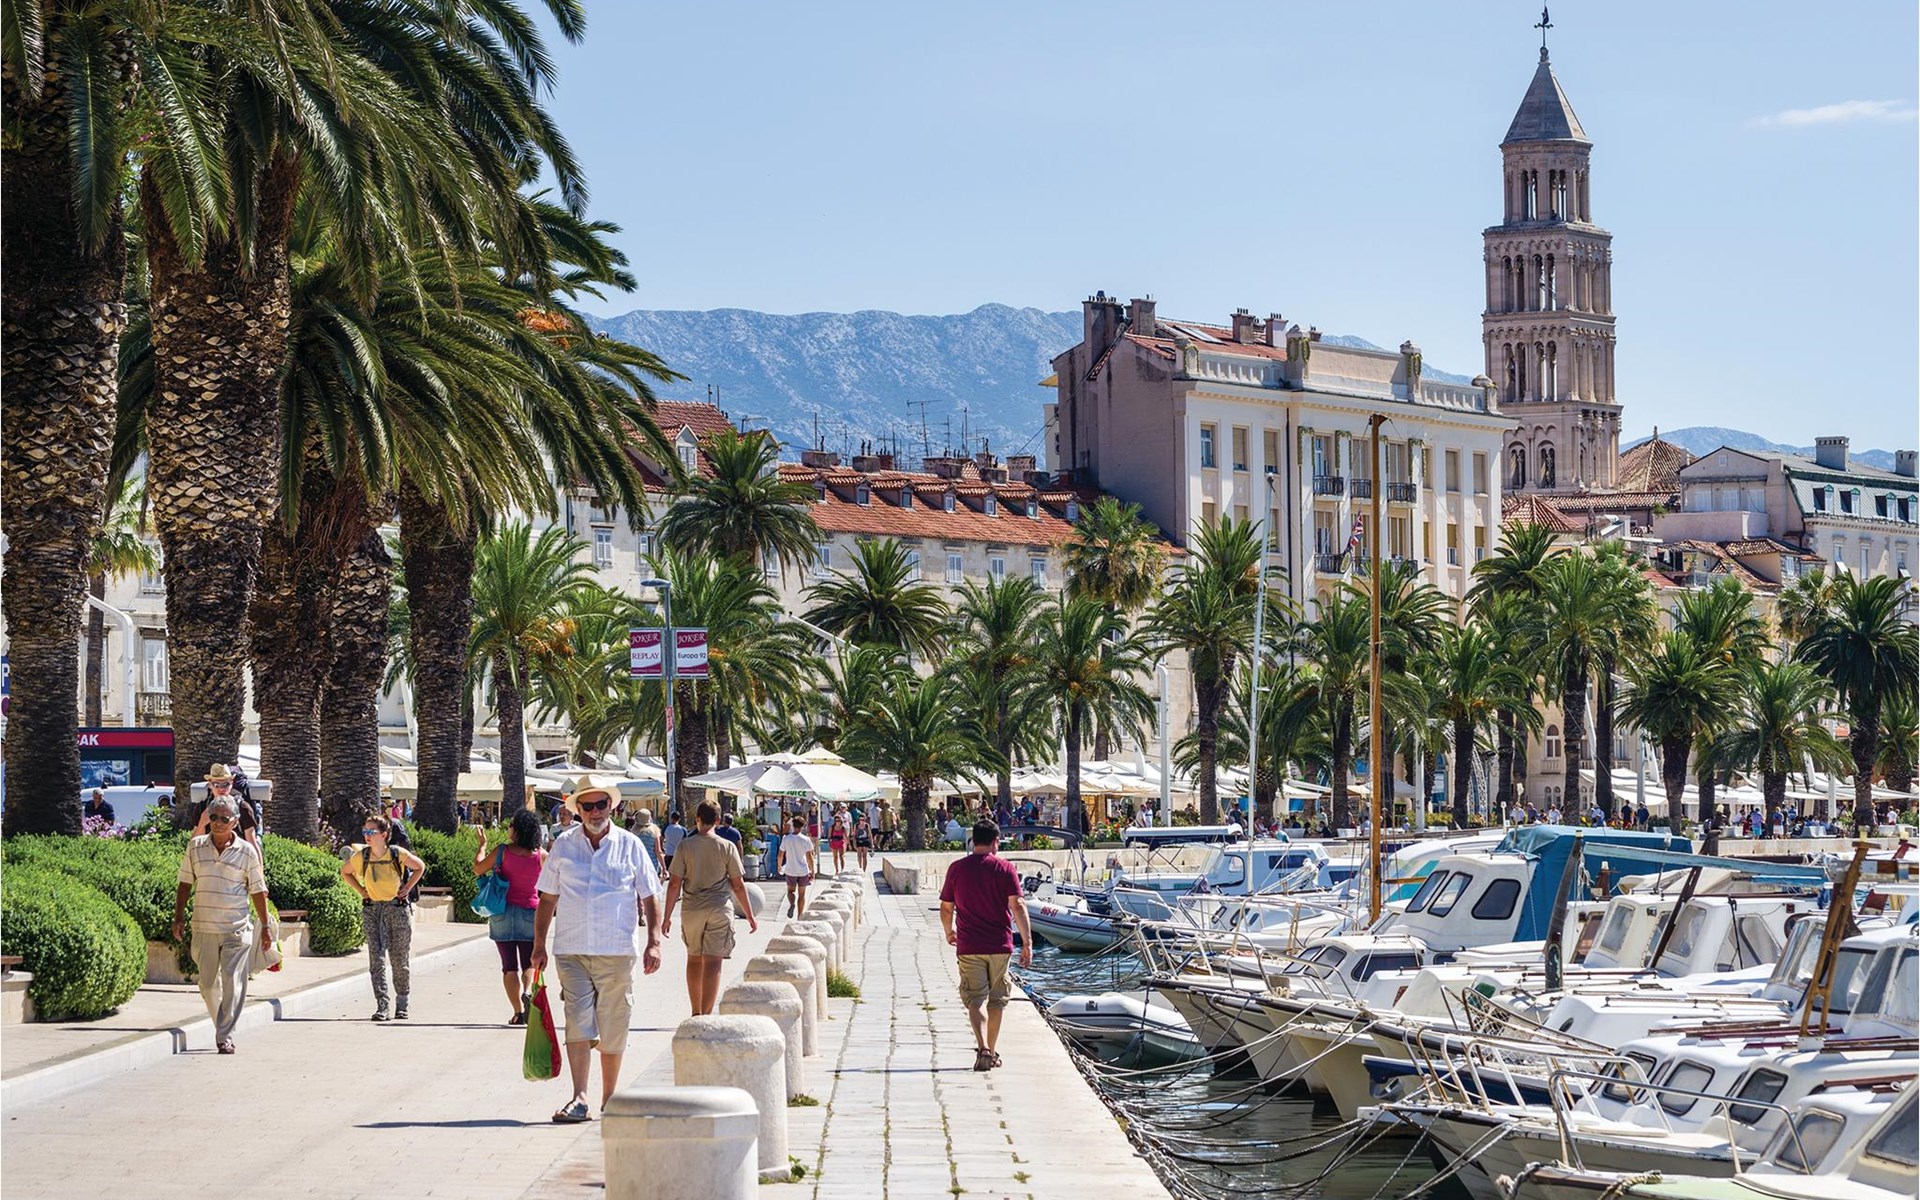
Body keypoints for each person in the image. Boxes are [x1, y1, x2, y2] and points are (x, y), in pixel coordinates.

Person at [533, 784, 664, 1124]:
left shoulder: (630, 845)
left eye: (601, 804)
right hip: (571, 949)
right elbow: (547, 898)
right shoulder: (563, 845)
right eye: (588, 806)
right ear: (577, 810)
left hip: (616, 950)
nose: (595, 812)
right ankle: (579, 1097)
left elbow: (650, 895)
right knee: (577, 1020)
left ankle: (610, 1097)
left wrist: (654, 941)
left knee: (613, 1023)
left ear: (611, 806)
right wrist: (538, 945)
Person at [171, 796, 271, 1054]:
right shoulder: (195, 847)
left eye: (224, 819)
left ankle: (224, 1035)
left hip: (235, 928)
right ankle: (222, 1026)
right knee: (207, 985)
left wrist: (265, 926)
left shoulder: (247, 852)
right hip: (203, 927)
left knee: (232, 981)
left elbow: (257, 890)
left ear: (235, 822)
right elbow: (185, 883)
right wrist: (178, 916)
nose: (217, 823)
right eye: (213, 817)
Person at [938, 820, 1033, 1072]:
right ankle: (992, 1049)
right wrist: (1027, 942)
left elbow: (946, 907)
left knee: (975, 998)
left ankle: (983, 1049)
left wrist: (949, 931)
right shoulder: (1005, 868)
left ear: (973, 842)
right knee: (997, 1000)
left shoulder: (957, 869)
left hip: (969, 945)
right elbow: (1018, 905)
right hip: (1000, 945)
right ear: (995, 842)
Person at [661, 799, 760, 1015]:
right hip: (719, 908)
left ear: (697, 819)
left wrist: (667, 916)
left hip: (692, 909)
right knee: (714, 962)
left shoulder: (685, 846)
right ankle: (706, 1015)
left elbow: (674, 884)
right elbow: (738, 885)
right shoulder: (727, 847)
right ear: (718, 820)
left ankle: (696, 1012)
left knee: (694, 959)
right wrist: (750, 915)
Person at [341, 815, 426, 1021]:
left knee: (399, 959)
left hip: (397, 909)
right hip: (372, 910)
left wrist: (407, 888)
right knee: (376, 959)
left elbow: (419, 867)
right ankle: (382, 1005)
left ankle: (402, 1003)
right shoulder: (362, 856)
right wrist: (361, 891)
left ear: (384, 835)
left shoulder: (397, 853)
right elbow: (345, 872)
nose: (367, 836)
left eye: (371, 832)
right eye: (365, 832)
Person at [473, 809, 545, 1025]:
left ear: (518, 830)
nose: (509, 828)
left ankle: (518, 1012)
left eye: (511, 825)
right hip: (530, 912)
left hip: (502, 912)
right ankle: (527, 991)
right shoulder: (541, 856)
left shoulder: (502, 851)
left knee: (509, 966)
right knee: (529, 962)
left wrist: (482, 846)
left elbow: (478, 869)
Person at [193, 764, 261, 851]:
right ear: (210, 785)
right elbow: (194, 845)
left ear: (231, 784)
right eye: (216, 784)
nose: (221, 789)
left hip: (237, 857)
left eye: (225, 784)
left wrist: (258, 860)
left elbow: (252, 843)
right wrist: (202, 823)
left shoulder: (242, 808)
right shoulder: (202, 807)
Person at [778, 815, 817, 918]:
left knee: (790, 891)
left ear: (792, 825)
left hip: (790, 869)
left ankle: (792, 904)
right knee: (802, 894)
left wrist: (779, 866)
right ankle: (799, 916)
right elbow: (809, 857)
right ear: (802, 826)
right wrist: (812, 870)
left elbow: (781, 854)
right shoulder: (806, 839)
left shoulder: (786, 838)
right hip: (803, 870)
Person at [631, 807, 662, 872]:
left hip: (637, 863)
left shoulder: (633, 832)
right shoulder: (654, 831)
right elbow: (658, 851)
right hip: (652, 863)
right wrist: (664, 867)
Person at [828, 804, 849, 874]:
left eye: (838, 820)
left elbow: (846, 836)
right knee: (835, 857)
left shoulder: (843, 828)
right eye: (836, 820)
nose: (837, 822)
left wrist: (848, 844)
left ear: (841, 821)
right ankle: (836, 870)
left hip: (841, 842)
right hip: (834, 842)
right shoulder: (832, 827)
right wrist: (829, 843)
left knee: (841, 856)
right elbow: (829, 836)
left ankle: (842, 869)